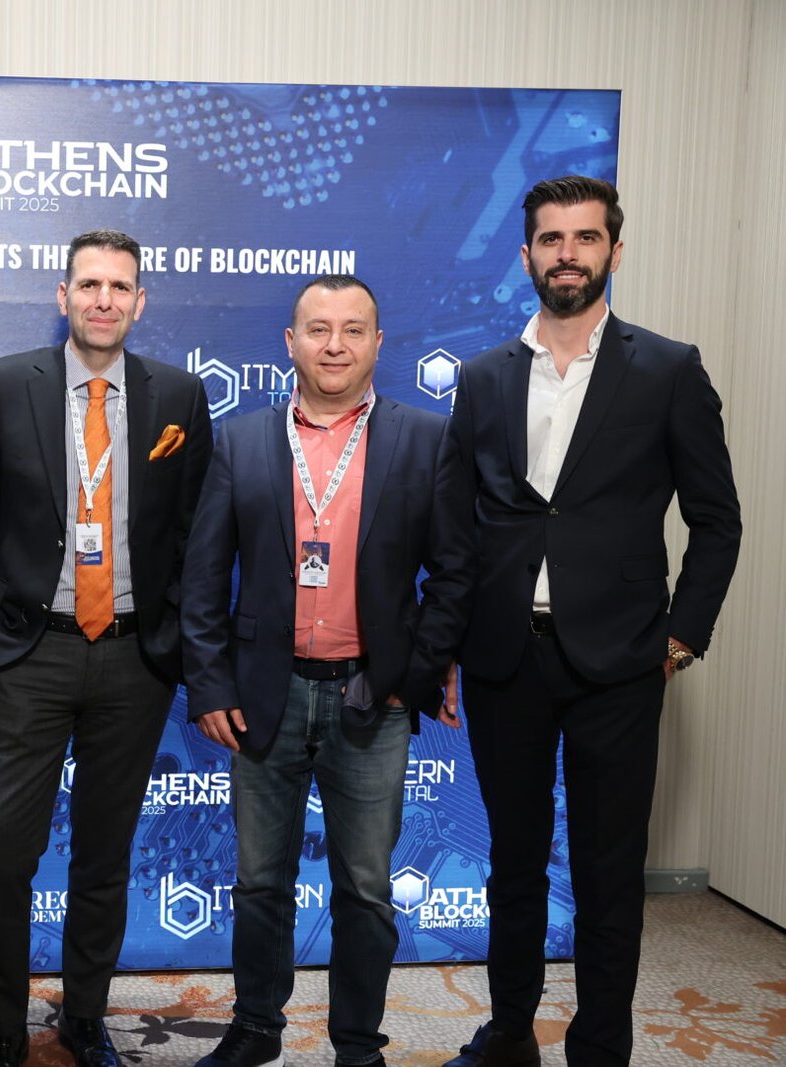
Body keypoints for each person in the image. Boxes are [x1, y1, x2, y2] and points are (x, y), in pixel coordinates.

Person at [441, 176, 741, 1067]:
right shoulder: (482, 377)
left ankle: (600, 1046)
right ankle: (509, 1034)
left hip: (622, 662)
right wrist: (447, 648)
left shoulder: (669, 369)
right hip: (505, 660)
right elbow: (457, 526)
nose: (566, 253)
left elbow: (717, 519)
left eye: (584, 237)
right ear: (526, 254)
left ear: (614, 249)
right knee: (513, 863)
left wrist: (681, 636)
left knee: (608, 871)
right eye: (550, 239)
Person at [179, 275, 472, 1067]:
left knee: (366, 888)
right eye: (317, 329)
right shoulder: (241, 441)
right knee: (259, 882)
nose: (334, 345)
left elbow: (455, 572)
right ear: (290, 342)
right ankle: (255, 1028)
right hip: (263, 696)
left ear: (378, 343)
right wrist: (210, 684)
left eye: (352, 329)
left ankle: (357, 1045)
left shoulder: (425, 438)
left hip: (372, 694)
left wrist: (416, 672)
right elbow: (201, 579)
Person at [0, 230, 212, 1067]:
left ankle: (84, 1013)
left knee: (105, 852)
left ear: (140, 301)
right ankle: (3, 1024)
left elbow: (195, 533)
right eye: (89, 284)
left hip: (135, 657)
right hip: (30, 650)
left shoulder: (179, 395)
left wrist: (179, 639)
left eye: (120, 286)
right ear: (62, 295)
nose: (104, 299)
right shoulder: (6, 384)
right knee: (1, 846)